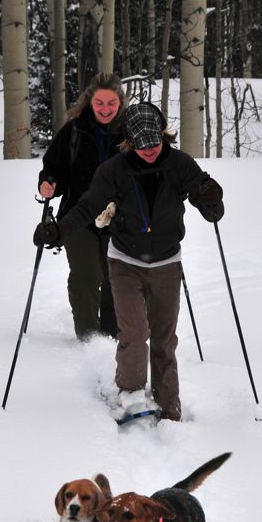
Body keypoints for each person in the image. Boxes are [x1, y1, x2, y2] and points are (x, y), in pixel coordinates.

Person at [33, 102, 224, 421]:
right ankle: (132, 394)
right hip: (125, 262)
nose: (148, 149)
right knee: (134, 332)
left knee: (164, 337)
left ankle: (168, 403)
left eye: (154, 141)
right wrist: (59, 230)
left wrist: (212, 199)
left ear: (164, 135)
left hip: (166, 262)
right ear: (129, 142)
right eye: (140, 143)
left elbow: (207, 205)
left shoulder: (180, 164)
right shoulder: (114, 170)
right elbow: (87, 206)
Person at [37, 72, 127, 339]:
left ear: (120, 102)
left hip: (120, 219)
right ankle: (88, 338)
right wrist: (48, 182)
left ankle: (113, 336)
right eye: (100, 103)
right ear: (90, 101)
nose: (105, 109)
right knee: (86, 276)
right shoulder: (74, 131)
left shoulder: (130, 131)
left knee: (116, 279)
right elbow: (54, 168)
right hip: (79, 217)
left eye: (111, 103)